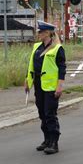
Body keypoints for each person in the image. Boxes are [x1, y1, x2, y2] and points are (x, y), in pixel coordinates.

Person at [24, 20, 66, 155]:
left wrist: (59, 86)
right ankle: (47, 139)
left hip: (51, 86)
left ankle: (54, 142)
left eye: (41, 32)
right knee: (42, 113)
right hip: (38, 84)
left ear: (48, 33)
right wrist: (27, 81)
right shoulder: (37, 47)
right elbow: (31, 65)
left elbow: (62, 69)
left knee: (50, 114)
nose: (39, 34)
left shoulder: (57, 48)